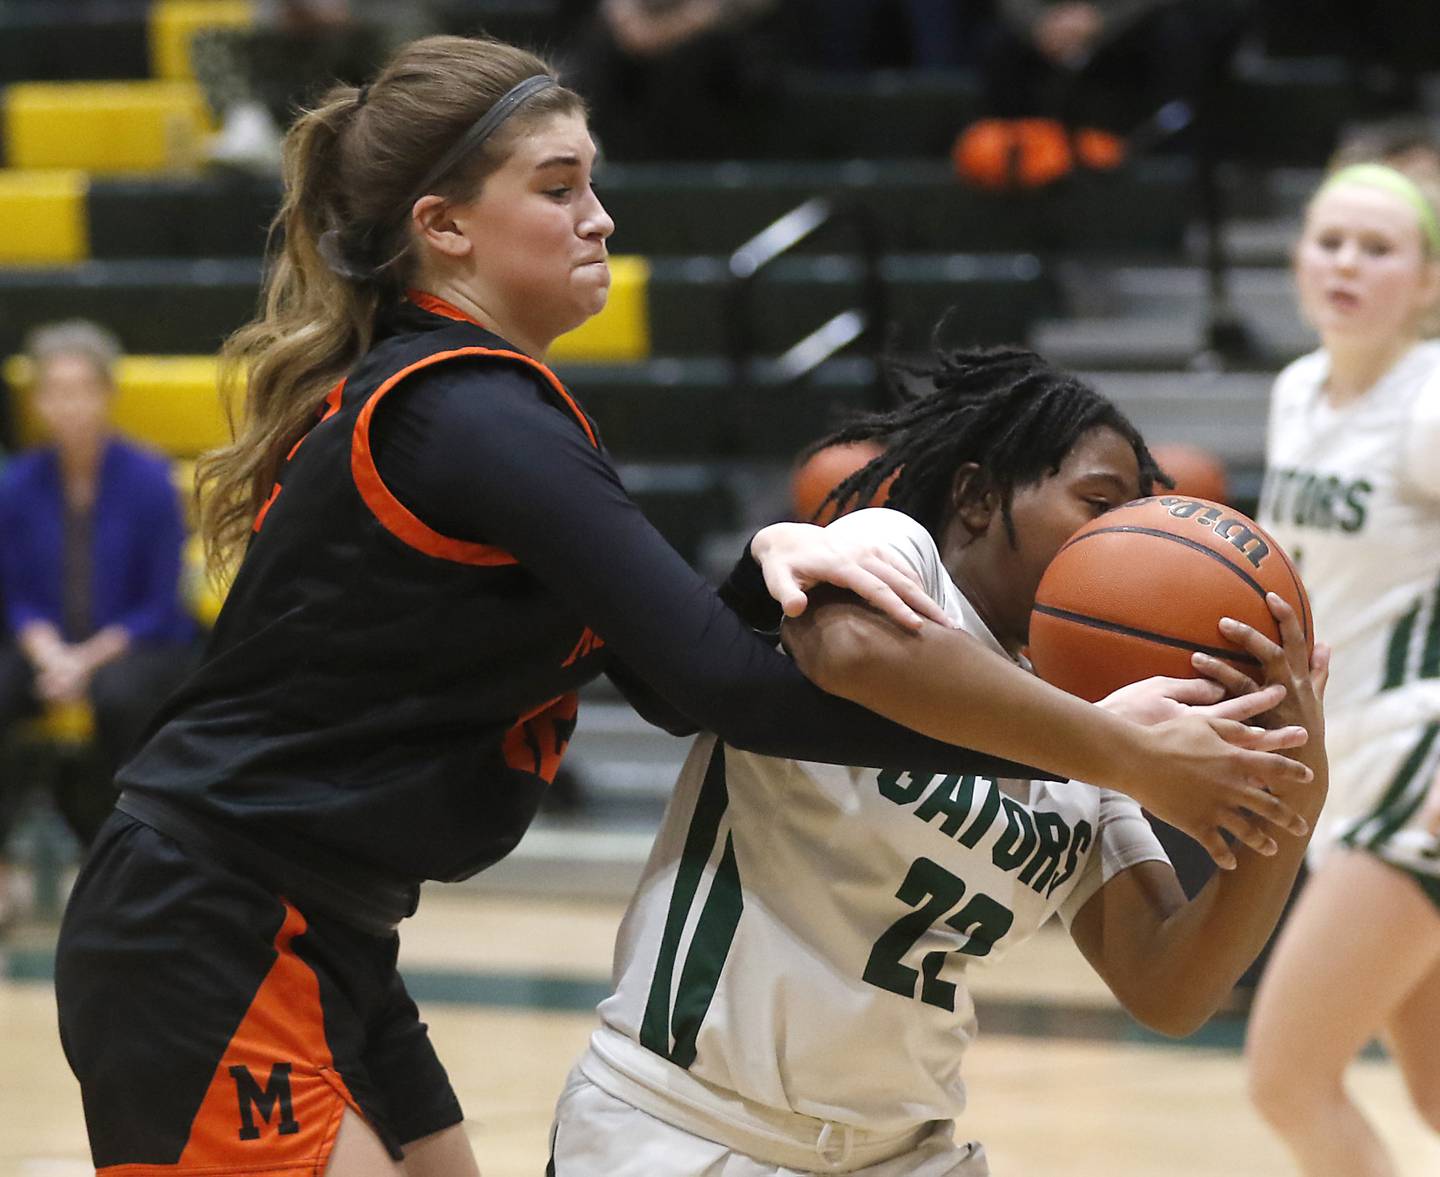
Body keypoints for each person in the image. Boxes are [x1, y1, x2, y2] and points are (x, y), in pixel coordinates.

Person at [53, 36, 1310, 1174]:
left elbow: (660, 673)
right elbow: (720, 686)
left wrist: (758, 560)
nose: (600, 217)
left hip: (323, 930)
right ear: (444, 226)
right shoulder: (466, 408)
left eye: (593, 182)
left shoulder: (501, 411)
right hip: (212, 920)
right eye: (558, 188)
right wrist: (1107, 741)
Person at [548, 347, 1329, 1175]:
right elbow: (849, 651)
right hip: (686, 1130)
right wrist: (1124, 748)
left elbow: (1170, 987)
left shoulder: (1091, 744)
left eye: (1139, 516)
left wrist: (1292, 795)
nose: (1120, 540)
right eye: (1098, 505)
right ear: (978, 497)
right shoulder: (898, 552)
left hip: (903, 1151)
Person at [1246, 162, 1440, 1173]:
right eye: (1330, 242)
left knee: (1286, 1078)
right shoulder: (1296, 393)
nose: (1349, 264)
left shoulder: (1431, 402)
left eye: (1379, 248)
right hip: (1347, 762)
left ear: (1429, 281)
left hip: (1420, 766)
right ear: (1297, 261)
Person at [0, 321, 196, 851]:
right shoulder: (16, 484)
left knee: (120, 696)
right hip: (46, 647)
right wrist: (51, 657)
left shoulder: (150, 479)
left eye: (83, 390)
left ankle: (129, 852)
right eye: (56, 392)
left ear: (106, 395)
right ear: (37, 400)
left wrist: (82, 662)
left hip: (135, 647)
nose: (70, 406)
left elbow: (158, 605)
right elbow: (16, 597)